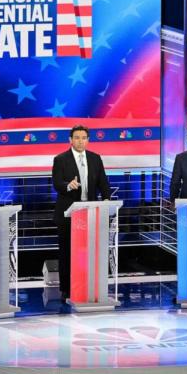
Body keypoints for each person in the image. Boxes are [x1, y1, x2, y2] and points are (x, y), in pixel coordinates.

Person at [52, 125, 111, 301]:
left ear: (88, 140)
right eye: (76, 137)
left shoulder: (95, 159)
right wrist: (68, 185)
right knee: (67, 252)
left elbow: (103, 182)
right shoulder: (60, 159)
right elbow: (56, 183)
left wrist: (107, 199)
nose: (80, 141)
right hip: (68, 214)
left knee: (87, 251)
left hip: (90, 214)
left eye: (83, 137)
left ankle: (88, 284)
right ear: (70, 140)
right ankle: (66, 289)